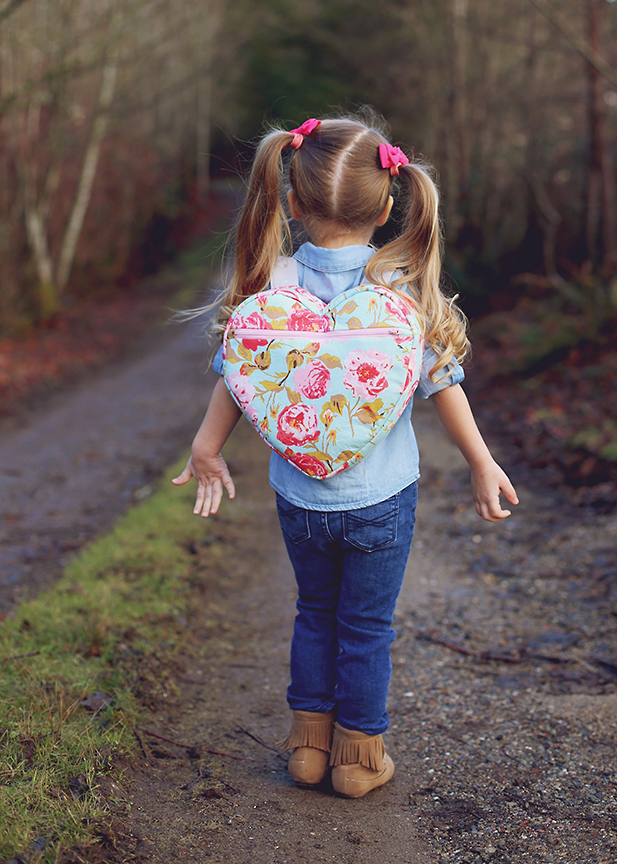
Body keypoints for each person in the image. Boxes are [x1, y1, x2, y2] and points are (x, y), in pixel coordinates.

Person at [173, 114, 517, 799]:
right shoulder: (400, 293)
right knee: (365, 626)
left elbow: (234, 374)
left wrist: (207, 447)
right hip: (383, 499)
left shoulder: (272, 285)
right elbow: (442, 382)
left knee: (314, 613)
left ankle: (308, 746)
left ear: (293, 202)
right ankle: (358, 757)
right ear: (390, 206)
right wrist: (481, 460)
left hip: (299, 499)